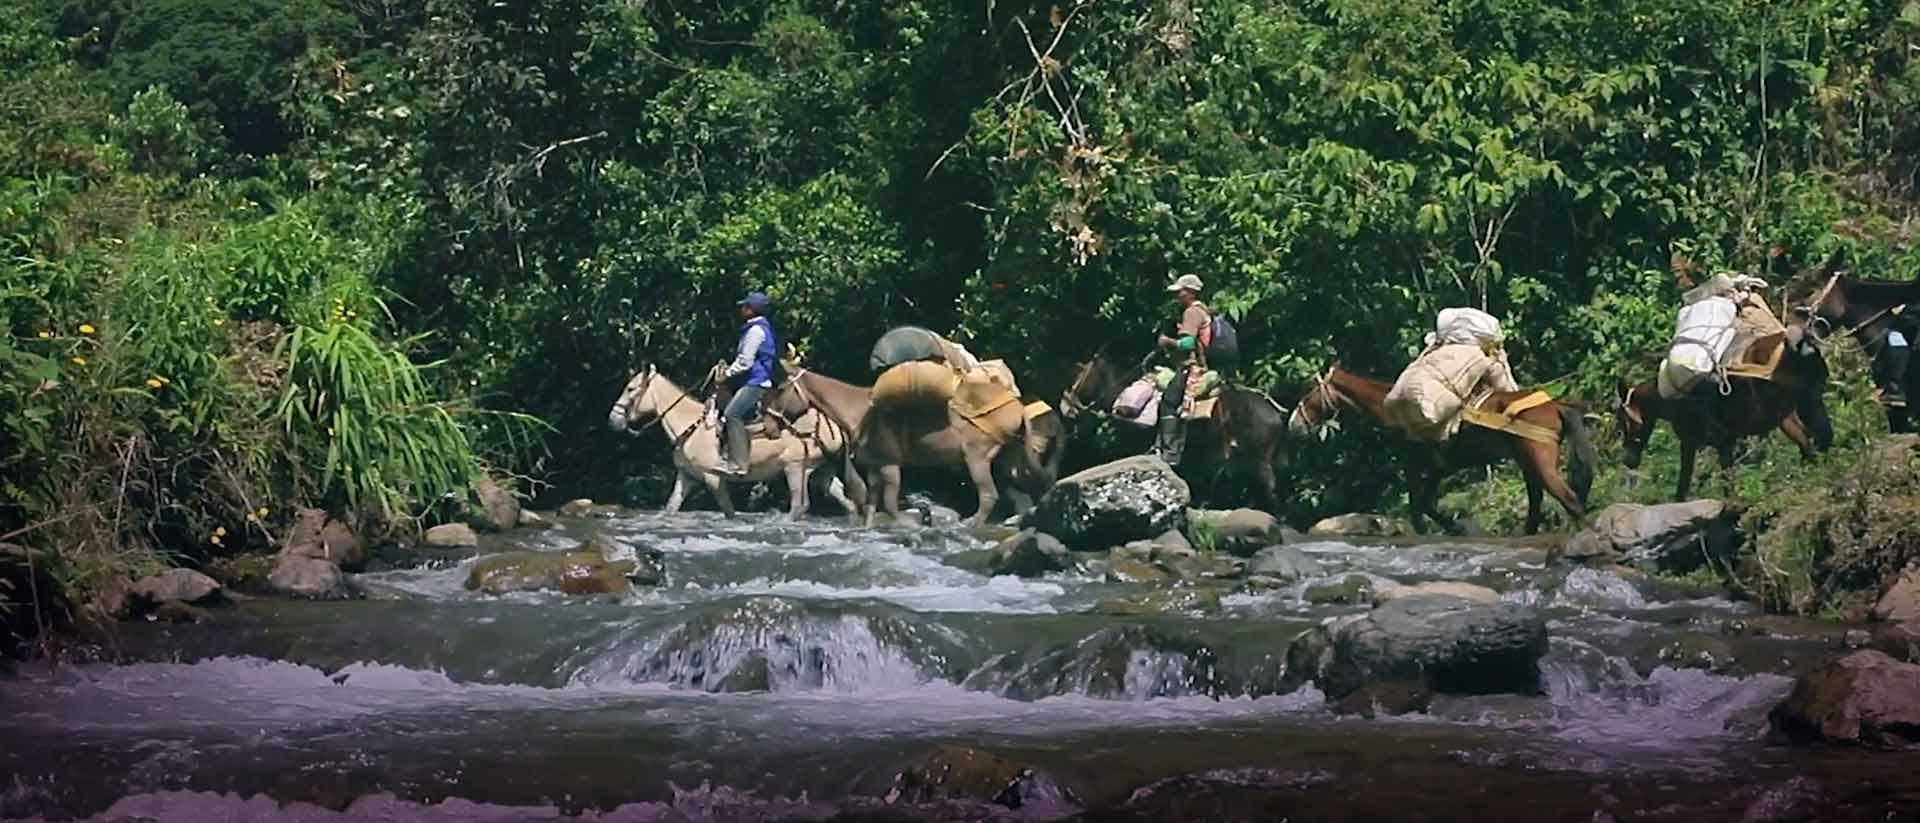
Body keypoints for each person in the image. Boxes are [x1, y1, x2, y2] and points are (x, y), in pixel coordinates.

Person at [1153, 274, 1211, 464]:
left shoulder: (1192, 312)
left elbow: (1187, 343)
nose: (1177, 295)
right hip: (1202, 366)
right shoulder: (1204, 311)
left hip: (1191, 367)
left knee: (1168, 402)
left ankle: (1170, 453)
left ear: (1191, 292)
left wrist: (1166, 341)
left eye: (1180, 292)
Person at [720, 292, 777, 476]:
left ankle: (739, 464)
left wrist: (726, 374)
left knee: (732, 413)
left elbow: (745, 362)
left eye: (745, 306)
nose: (742, 309)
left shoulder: (755, 331)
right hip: (753, 379)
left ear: (751, 310)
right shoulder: (757, 328)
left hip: (756, 382)